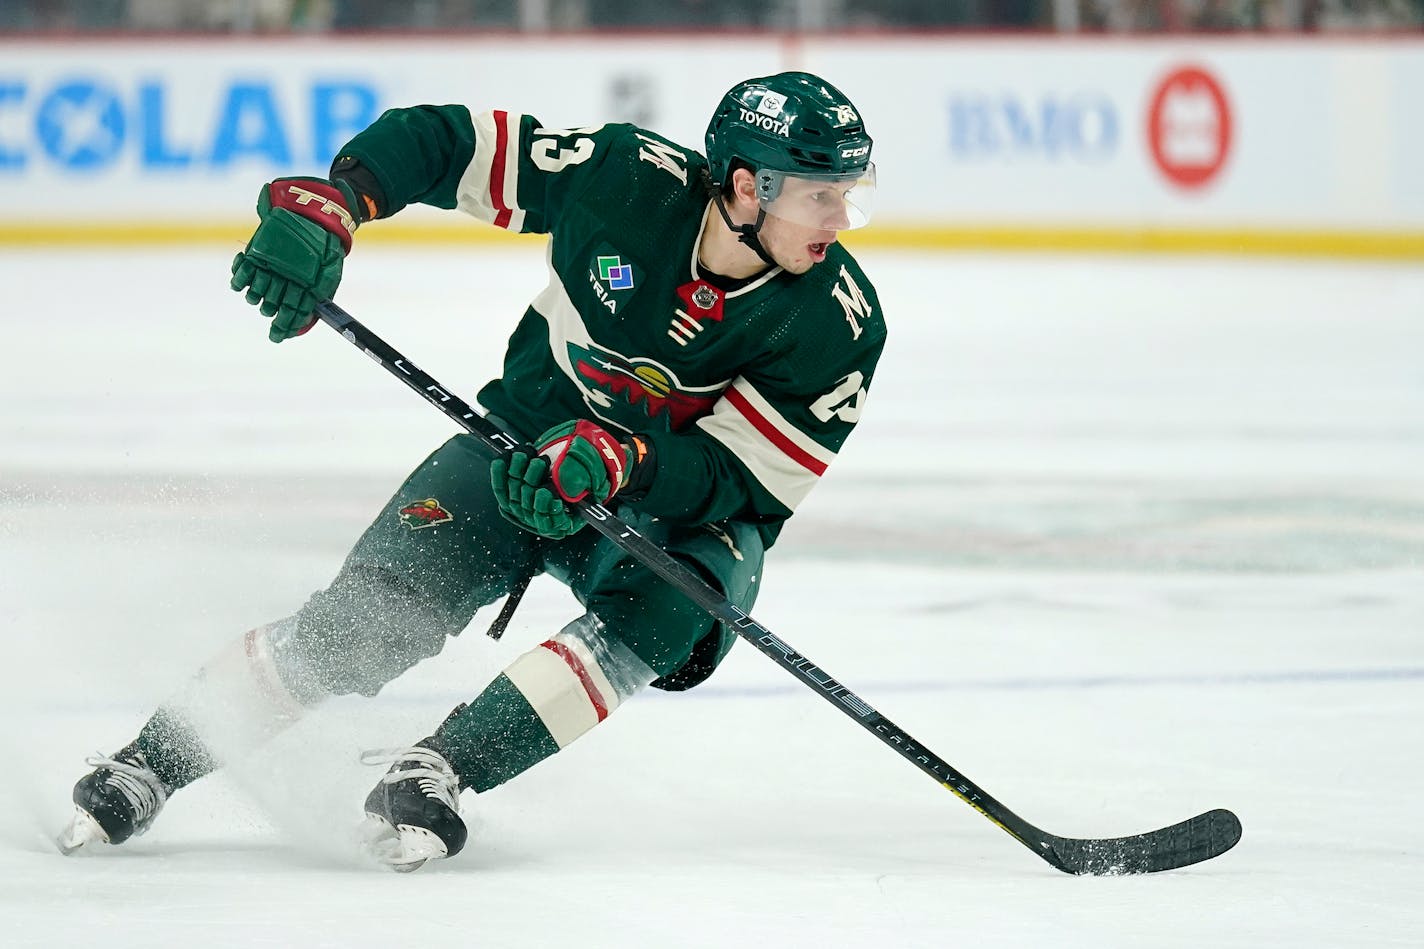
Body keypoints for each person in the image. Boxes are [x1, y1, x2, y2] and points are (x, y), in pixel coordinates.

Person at [58, 71, 886, 871]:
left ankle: (440, 768)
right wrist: (340, 199)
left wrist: (625, 458)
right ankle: (152, 759)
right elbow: (448, 141)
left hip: (660, 504)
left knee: (678, 604)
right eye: (823, 193)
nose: (842, 216)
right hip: (516, 447)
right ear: (748, 185)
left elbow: (745, 482)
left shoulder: (837, 325)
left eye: (851, 190)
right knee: (365, 625)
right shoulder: (624, 179)